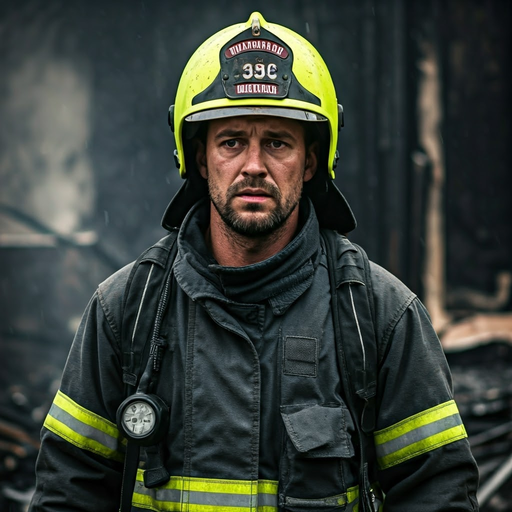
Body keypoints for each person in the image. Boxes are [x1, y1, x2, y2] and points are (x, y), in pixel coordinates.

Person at [29, 11, 479, 512]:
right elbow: (67, 491)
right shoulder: (125, 310)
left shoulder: (380, 316)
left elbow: (438, 495)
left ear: (311, 161)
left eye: (278, 142)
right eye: (232, 141)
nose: (253, 166)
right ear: (200, 159)